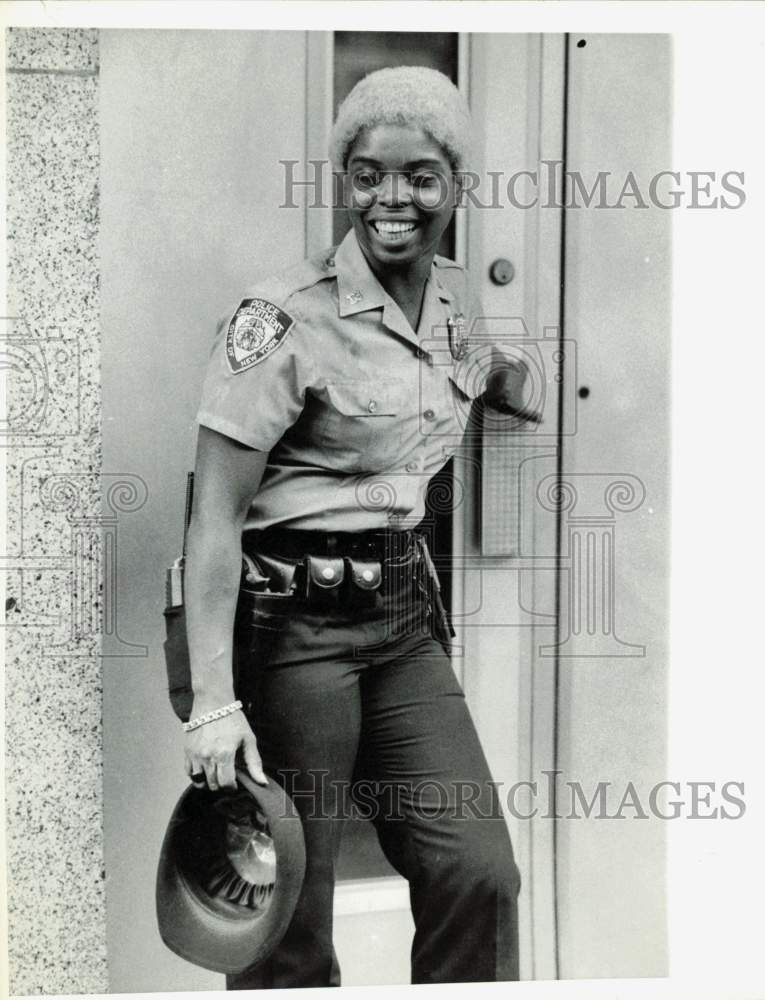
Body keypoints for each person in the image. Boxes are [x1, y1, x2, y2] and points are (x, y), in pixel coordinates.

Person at [182, 65, 525, 988]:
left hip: (405, 620)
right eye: (368, 173)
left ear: (456, 185)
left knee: (478, 873)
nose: (392, 198)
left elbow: (449, 373)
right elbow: (212, 519)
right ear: (344, 178)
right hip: (295, 631)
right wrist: (214, 704)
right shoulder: (280, 320)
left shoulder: (452, 296)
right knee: (291, 910)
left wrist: (509, 383)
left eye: (420, 175)